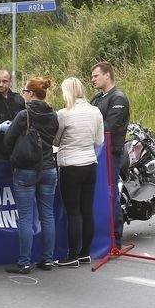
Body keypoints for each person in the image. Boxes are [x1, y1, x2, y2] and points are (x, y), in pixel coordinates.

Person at [3, 77, 59, 273]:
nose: (24, 94)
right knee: (47, 215)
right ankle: (48, 260)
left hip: (26, 170)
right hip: (49, 168)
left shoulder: (24, 115)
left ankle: (25, 262)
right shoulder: (53, 115)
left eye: (26, 91)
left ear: (32, 93)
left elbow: (8, 141)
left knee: (26, 217)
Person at [54, 77, 104, 267]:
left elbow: (56, 141)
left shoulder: (64, 114)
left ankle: (72, 255)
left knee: (73, 212)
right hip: (90, 163)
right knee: (87, 210)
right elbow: (99, 140)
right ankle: (85, 253)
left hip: (70, 165)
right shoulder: (96, 111)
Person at [90, 61, 129, 249]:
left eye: (96, 75)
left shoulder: (118, 98)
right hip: (95, 153)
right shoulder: (97, 98)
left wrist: (87, 130)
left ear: (107, 75)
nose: (93, 79)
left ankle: (115, 238)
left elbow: (109, 127)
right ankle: (98, 234)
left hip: (111, 154)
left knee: (110, 193)